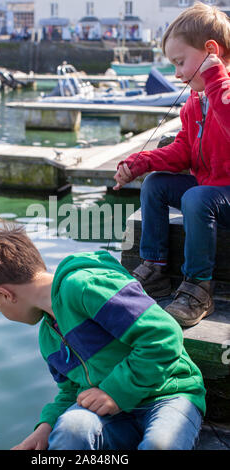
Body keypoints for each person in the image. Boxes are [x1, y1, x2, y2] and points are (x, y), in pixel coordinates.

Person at [0, 223, 206, 450]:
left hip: (168, 395)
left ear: (5, 294)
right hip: (115, 415)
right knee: (71, 429)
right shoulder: (48, 337)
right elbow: (72, 390)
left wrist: (115, 392)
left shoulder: (83, 287)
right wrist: (45, 427)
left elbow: (164, 335)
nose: (1, 312)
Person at [113, 2, 230, 327]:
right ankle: (154, 268)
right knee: (156, 185)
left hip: (222, 197)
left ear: (211, 51)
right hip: (210, 194)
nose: (176, 73)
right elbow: (183, 151)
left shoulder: (223, 91)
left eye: (180, 62)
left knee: (196, 198)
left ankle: (198, 287)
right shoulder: (196, 101)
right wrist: (140, 163)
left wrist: (216, 79)